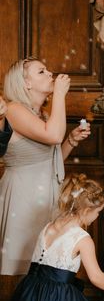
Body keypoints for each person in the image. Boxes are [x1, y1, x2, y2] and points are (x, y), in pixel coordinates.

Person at [0, 58, 91, 276]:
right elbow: (53, 135)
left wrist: (70, 141)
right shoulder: (13, 109)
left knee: (43, 266)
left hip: (46, 197)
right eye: (41, 72)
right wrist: (60, 94)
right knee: (23, 269)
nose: (50, 74)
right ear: (26, 83)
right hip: (24, 197)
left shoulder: (42, 115)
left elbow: (50, 157)